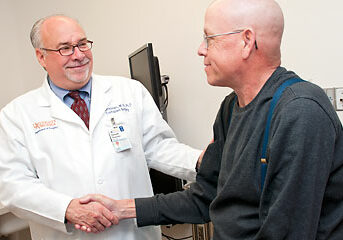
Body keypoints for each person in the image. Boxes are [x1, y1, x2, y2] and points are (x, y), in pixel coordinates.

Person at [77, 0, 343, 239]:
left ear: (246, 41)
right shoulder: (231, 107)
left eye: (209, 38)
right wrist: (123, 208)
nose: (200, 50)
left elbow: (287, 232)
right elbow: (206, 197)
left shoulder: (300, 111)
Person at [0, 15, 202, 240]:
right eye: (65, 48)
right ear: (41, 56)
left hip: (133, 234)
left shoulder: (129, 92)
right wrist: (67, 209)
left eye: (82, 44)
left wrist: (203, 161)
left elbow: (159, 147)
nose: (78, 55)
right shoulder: (16, 115)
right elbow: (13, 185)